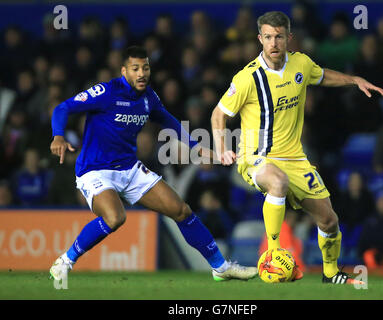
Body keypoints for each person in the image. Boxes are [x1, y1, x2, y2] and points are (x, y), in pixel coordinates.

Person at [49, 46, 256, 282]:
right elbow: (62, 107)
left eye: (145, 68)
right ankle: (65, 261)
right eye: (135, 68)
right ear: (124, 71)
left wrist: (197, 147)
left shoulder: (149, 98)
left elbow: (170, 121)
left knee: (181, 210)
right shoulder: (106, 91)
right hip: (95, 170)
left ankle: (221, 266)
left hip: (129, 169)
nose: (141, 74)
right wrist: (58, 136)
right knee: (115, 218)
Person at [211, 11, 383, 284]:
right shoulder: (247, 78)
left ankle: (330, 273)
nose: (273, 43)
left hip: (295, 158)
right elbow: (218, 115)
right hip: (256, 157)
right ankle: (273, 254)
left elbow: (321, 76)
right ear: (260, 39)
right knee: (277, 182)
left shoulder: (301, 64)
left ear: (288, 38)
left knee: (329, 221)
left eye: (279, 37)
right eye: (268, 37)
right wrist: (222, 148)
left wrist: (354, 80)